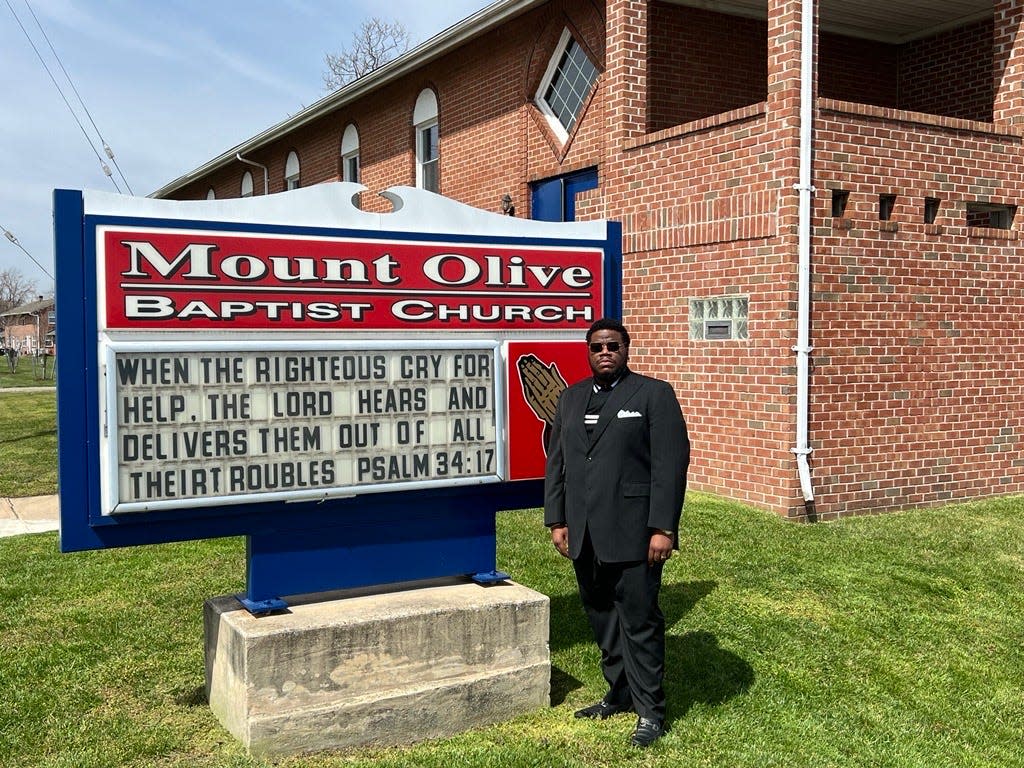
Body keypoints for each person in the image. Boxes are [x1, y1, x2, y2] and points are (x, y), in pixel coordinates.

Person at [544, 317, 690, 747]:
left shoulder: (652, 394)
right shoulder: (570, 398)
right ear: (587, 352)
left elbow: (670, 464)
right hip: (584, 534)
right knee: (603, 618)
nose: (605, 352)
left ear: (626, 349)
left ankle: (650, 712)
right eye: (597, 347)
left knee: (639, 622)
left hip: (634, 532)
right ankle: (620, 692)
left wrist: (663, 528)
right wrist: (557, 519)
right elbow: (558, 463)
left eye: (613, 346)